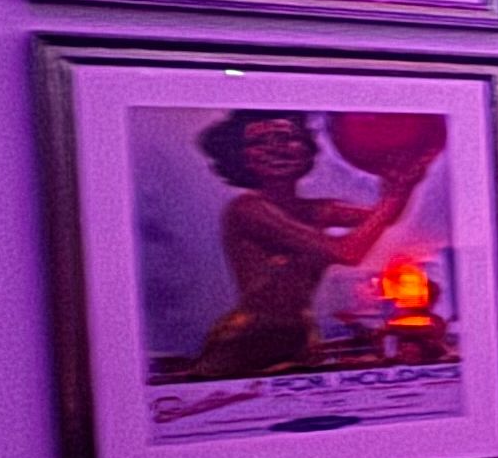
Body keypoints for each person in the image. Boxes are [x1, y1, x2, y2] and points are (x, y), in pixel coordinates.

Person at [174, 110, 428, 379]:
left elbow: (383, 218)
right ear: (240, 157)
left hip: (298, 338)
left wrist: (400, 184)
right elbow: (347, 252)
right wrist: (393, 198)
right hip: (249, 341)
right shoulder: (247, 210)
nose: (276, 147)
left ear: (307, 150)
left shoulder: (313, 210)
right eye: (260, 142)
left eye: (286, 137)